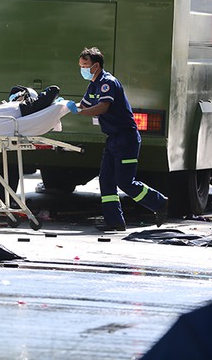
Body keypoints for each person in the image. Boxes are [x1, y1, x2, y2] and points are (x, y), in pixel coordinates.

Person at [66, 47, 168, 231]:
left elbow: (102, 107)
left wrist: (80, 112)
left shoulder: (108, 83)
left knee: (125, 182)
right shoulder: (93, 85)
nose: (82, 69)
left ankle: (159, 202)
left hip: (126, 139)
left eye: (85, 65)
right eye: (80, 65)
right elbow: (84, 104)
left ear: (96, 66)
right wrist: (64, 106)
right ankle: (114, 222)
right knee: (106, 180)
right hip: (113, 139)